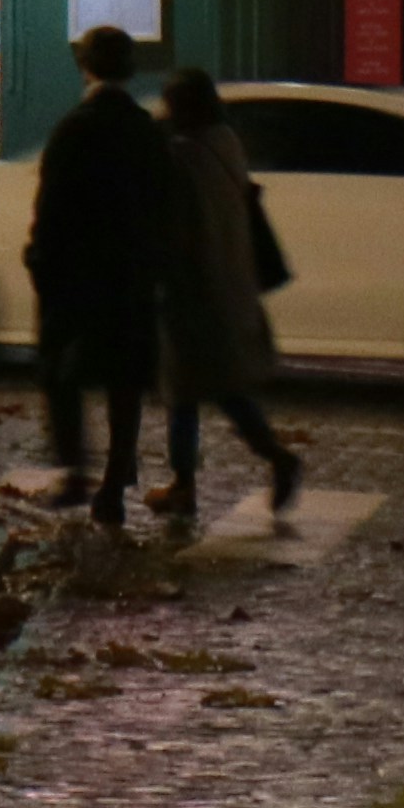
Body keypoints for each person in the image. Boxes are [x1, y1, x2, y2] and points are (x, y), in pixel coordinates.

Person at [24, 23, 174, 521]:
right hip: (131, 273)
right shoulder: (145, 130)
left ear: (84, 66)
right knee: (124, 379)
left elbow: (54, 208)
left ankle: (75, 469)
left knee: (61, 370)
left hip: (80, 275)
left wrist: (42, 261)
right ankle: (114, 477)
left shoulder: (75, 127)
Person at [150, 68, 304, 530]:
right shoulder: (227, 144)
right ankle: (268, 459)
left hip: (195, 293)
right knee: (220, 391)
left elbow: (177, 230)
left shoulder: (184, 156)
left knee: (186, 392)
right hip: (231, 284)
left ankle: (189, 483)